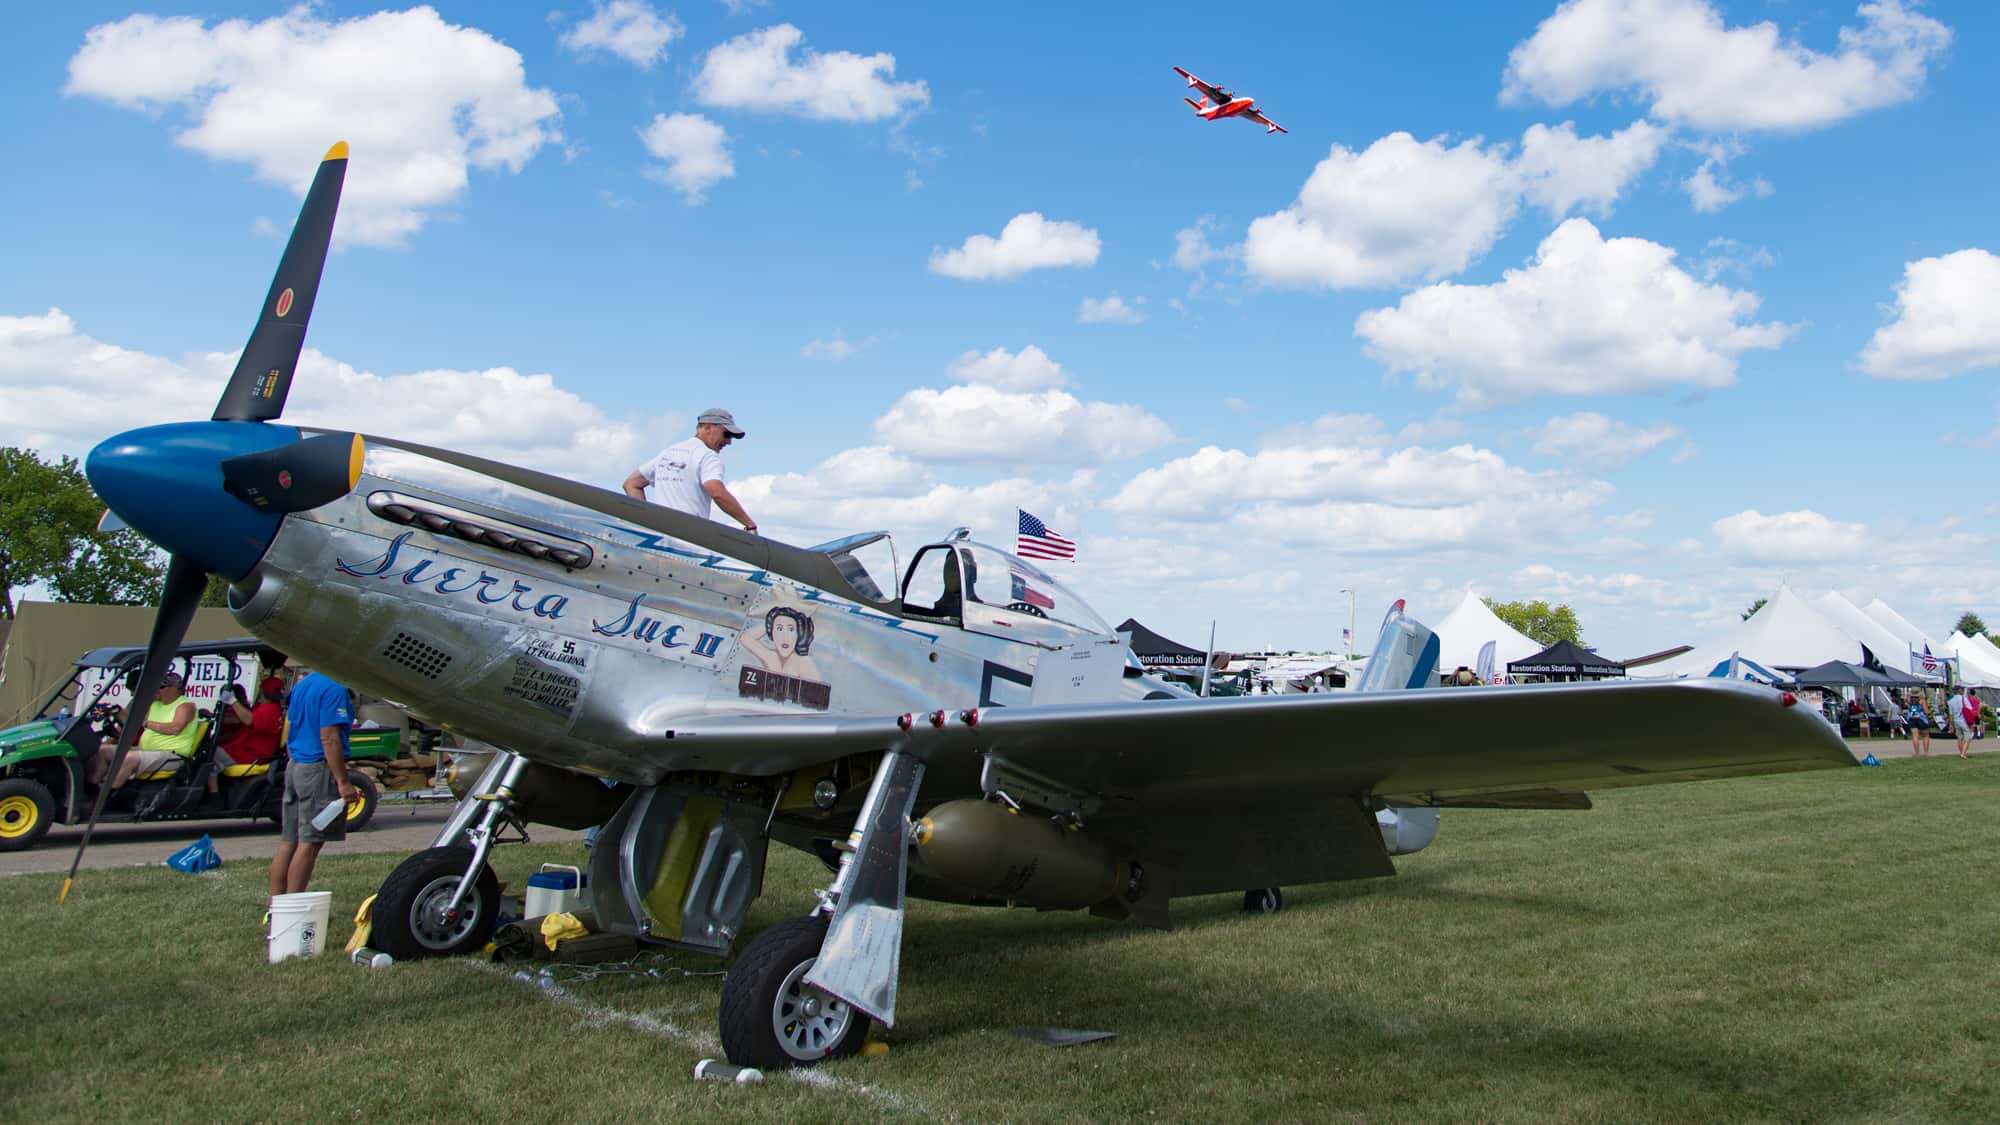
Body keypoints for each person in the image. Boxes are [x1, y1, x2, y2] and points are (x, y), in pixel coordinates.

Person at [270, 669, 359, 896]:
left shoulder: (303, 684)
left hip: (296, 764)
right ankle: (293, 905)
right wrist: (342, 781)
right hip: (317, 767)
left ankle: (275, 903)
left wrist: (296, 758)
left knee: (289, 840)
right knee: (310, 842)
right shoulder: (334, 688)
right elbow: (329, 737)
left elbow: (291, 726)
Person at [622, 408, 758, 535]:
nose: (729, 442)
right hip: (689, 538)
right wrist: (749, 525)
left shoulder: (668, 453)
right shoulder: (707, 456)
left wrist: (646, 522)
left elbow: (631, 484)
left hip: (659, 538)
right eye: (726, 434)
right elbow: (717, 492)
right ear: (707, 427)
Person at [102, 671, 200, 791]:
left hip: (171, 755)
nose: (156, 690)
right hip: (146, 751)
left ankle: (106, 794)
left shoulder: (185, 706)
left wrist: (146, 723)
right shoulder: (154, 704)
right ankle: (91, 789)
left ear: (174, 688)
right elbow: (134, 722)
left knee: (130, 758)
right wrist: (117, 712)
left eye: (161, 687)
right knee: (103, 750)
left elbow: (175, 728)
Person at [1905, 692, 1932, 757]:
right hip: (1921, 719)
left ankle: (1917, 753)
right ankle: (1926, 753)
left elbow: (1908, 706)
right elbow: (1926, 711)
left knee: (1915, 736)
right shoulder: (1922, 701)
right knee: (1925, 735)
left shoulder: (1909, 701)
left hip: (1912, 718)